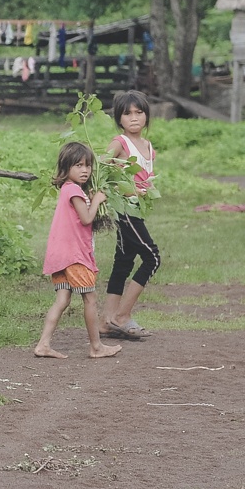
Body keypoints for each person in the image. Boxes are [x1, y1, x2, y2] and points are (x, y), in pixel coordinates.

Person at [36, 141, 121, 360]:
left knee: (62, 300)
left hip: (60, 255)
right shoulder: (74, 190)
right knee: (90, 299)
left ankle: (43, 344)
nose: (85, 170)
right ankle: (96, 347)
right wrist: (97, 200)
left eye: (88, 165)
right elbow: (86, 218)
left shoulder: (68, 189)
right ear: (66, 167)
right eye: (79, 165)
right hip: (74, 256)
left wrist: (91, 199)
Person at [101, 91, 160, 340]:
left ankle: (106, 321)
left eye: (139, 112)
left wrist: (147, 190)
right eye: (127, 114)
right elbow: (101, 172)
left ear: (146, 116)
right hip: (125, 211)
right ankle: (123, 316)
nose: (134, 118)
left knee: (123, 262)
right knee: (152, 258)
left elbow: (145, 178)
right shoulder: (120, 143)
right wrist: (127, 190)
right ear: (119, 119)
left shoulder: (148, 146)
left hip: (138, 210)